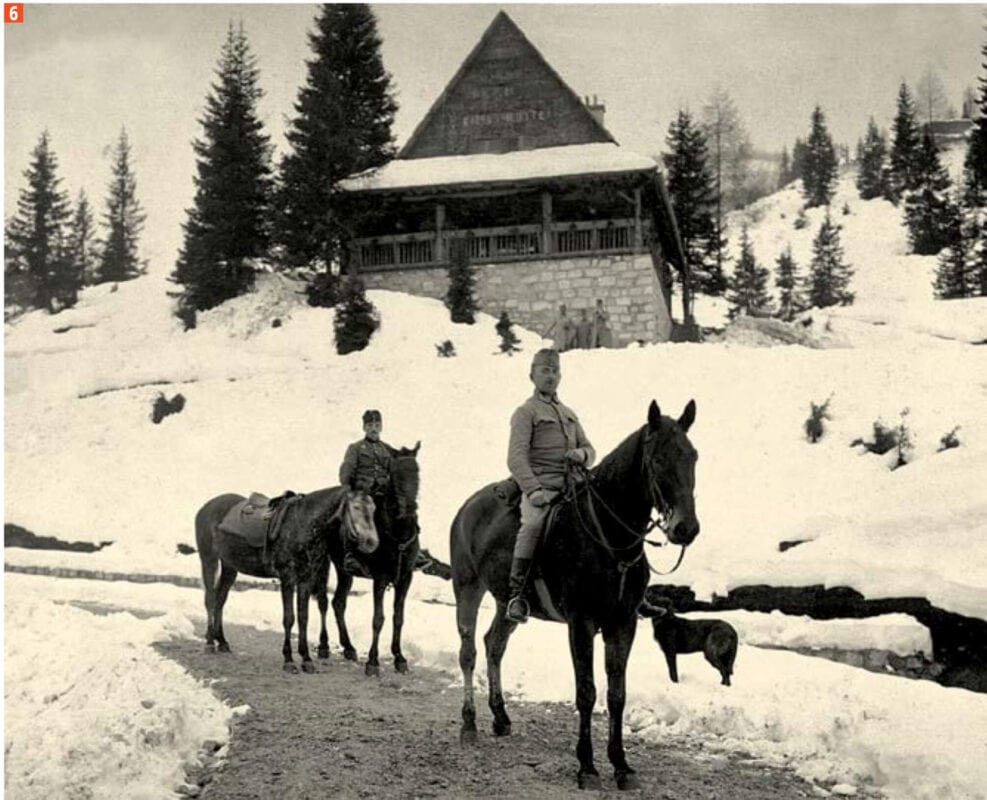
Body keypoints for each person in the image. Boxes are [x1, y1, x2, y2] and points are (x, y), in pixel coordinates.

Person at [505, 349, 596, 623]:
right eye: (545, 370)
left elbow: (590, 449)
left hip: (573, 488)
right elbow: (515, 458)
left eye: (555, 371)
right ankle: (517, 594)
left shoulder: (569, 413)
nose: (551, 376)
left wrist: (581, 455)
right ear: (531, 374)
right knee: (533, 526)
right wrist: (533, 491)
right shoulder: (525, 412)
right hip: (542, 488)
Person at [339, 409, 393, 577]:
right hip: (363, 495)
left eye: (377, 425)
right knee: (357, 519)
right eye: (370, 425)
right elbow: (345, 473)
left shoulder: (388, 450)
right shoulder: (355, 448)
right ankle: (350, 555)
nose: (374, 429)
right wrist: (352, 490)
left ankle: (410, 552)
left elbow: (394, 473)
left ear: (382, 427)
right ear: (364, 427)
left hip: (383, 495)